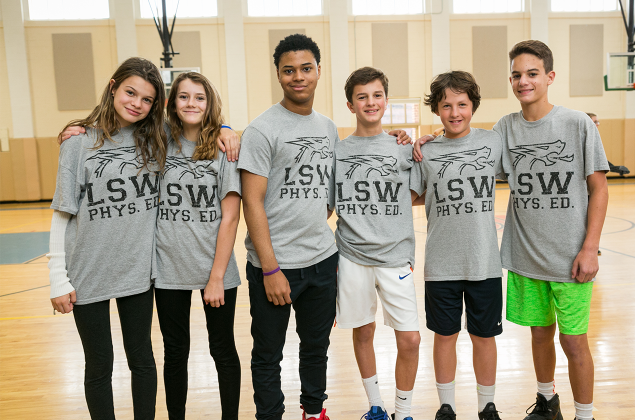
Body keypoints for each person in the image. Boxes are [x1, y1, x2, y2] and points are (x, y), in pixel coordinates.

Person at [237, 34, 410, 420]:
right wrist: (270, 268)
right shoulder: (263, 129)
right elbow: (252, 202)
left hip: (322, 260)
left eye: (306, 68)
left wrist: (399, 138)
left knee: (315, 347)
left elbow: (334, 193)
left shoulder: (330, 129)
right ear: (279, 74)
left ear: (318, 71)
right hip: (274, 265)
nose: (298, 77)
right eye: (288, 70)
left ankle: (314, 412)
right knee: (268, 352)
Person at [494, 41, 608, 420]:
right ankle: (547, 403)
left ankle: (585, 415)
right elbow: (470, 155)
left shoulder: (576, 123)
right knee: (538, 334)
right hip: (526, 257)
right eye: (516, 75)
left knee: (574, 342)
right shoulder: (505, 128)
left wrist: (590, 247)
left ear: (549, 77)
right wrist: (426, 141)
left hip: (571, 258)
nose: (523, 81)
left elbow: (599, 188)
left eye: (531, 73)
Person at [48, 57, 168, 420]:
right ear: (113, 86)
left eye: (147, 99)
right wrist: (57, 277)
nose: (137, 103)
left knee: (142, 360)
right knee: (99, 365)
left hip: (136, 272)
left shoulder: (158, 139)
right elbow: (62, 212)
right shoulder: (79, 143)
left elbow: (203, 124)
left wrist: (225, 127)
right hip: (87, 272)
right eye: (131, 92)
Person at [410, 71, 503, 420]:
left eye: (462, 104)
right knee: (444, 336)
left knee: (484, 338)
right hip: (441, 263)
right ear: (436, 109)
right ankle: (446, 405)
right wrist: (414, 140)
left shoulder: (493, 141)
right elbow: (414, 195)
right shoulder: (427, 151)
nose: (454, 112)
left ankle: (486, 405)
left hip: (484, 263)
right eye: (446, 105)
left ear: (473, 105)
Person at [332, 66, 420, 420]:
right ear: (351, 104)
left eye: (377, 95)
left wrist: (416, 142)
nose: (370, 102)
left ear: (386, 99)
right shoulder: (337, 151)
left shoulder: (403, 148)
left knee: (410, 339)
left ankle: (404, 411)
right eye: (362, 97)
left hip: (395, 255)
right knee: (363, 331)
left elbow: (415, 194)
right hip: (351, 255)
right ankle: (376, 406)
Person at [154, 72, 242, 420]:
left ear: (210, 104)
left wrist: (217, 276)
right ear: (172, 103)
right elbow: (117, 129)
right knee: (175, 352)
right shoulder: (158, 140)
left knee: (222, 349)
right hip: (167, 268)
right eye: (184, 97)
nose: (192, 103)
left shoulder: (224, 148)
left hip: (215, 268)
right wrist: (79, 131)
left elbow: (231, 217)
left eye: (200, 98)